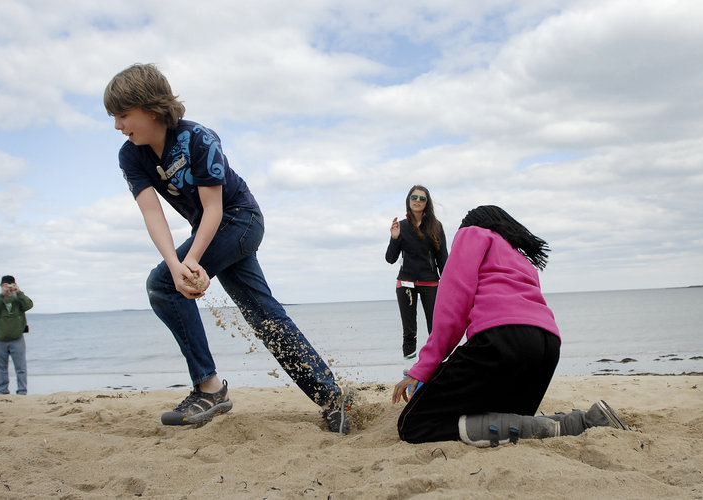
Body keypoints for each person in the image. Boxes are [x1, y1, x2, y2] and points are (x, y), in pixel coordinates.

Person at [104, 63, 352, 433]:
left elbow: (215, 209)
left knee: (161, 287)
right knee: (260, 312)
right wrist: (175, 264)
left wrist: (188, 262)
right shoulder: (131, 155)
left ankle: (210, 388)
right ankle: (333, 398)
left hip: (241, 220)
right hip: (210, 227)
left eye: (123, 115)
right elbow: (152, 213)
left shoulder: (199, 139)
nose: (118, 126)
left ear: (151, 108)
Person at [392, 205, 627, 446]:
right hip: (547, 347)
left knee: (413, 425)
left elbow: (452, 309)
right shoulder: (519, 255)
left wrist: (422, 369)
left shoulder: (472, 234)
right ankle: (585, 420)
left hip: (502, 342)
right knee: (509, 419)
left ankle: (574, 422)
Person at [385, 185, 448, 371]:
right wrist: (394, 238)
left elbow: (443, 258)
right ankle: (410, 370)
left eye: (422, 198)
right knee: (409, 332)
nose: (417, 201)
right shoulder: (401, 227)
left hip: (431, 283)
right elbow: (390, 259)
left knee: (435, 329)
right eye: (414, 197)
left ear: (427, 203)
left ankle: (435, 368)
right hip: (406, 285)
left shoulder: (436, 226)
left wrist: (449, 285)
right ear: (408, 200)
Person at [0, 275, 33, 395]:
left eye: (10, 285)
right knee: (2, 369)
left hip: (17, 339)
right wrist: (3, 294)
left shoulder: (19, 300)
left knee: (21, 368)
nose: (8, 288)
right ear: (1, 286)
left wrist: (18, 293)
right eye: (5, 286)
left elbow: (29, 305)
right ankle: (2, 391)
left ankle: (22, 391)